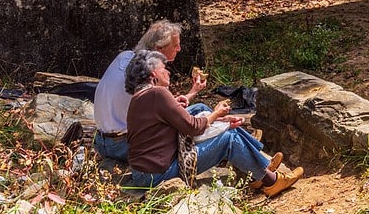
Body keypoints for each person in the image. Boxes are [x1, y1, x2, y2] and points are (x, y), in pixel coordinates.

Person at [125, 50, 302, 197]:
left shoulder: (139, 97)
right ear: (153, 73)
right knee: (228, 140)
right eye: (164, 68)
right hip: (156, 175)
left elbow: (167, 121)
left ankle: (259, 169)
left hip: (143, 173)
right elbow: (193, 128)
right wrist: (217, 113)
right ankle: (272, 182)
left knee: (201, 109)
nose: (168, 72)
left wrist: (221, 119)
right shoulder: (157, 94)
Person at [93, 20, 208, 162]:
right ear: (159, 49)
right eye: (175, 45)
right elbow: (177, 118)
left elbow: (162, 107)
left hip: (101, 140)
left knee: (200, 109)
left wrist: (192, 92)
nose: (179, 49)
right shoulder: (149, 75)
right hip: (123, 146)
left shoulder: (124, 56)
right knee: (206, 126)